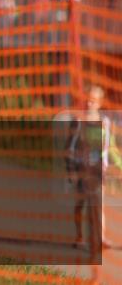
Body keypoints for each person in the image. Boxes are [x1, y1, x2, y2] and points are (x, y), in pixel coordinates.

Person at [66, 86, 120, 255]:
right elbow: (69, 147)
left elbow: (109, 147)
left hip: (98, 171)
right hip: (82, 169)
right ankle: (79, 237)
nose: (90, 102)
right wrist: (71, 171)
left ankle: (101, 238)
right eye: (88, 98)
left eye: (94, 100)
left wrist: (119, 164)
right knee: (81, 203)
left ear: (100, 103)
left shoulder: (105, 122)